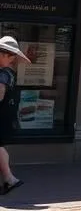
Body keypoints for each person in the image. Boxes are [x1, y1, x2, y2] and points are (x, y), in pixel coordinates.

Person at [0, 36, 29, 195]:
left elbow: (0, 94)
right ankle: (9, 179)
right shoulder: (9, 73)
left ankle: (10, 179)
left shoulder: (2, 74)